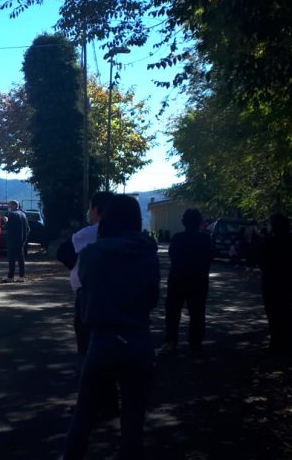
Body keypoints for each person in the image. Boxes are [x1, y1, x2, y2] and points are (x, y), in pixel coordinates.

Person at [64, 194, 159, 460]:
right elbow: (152, 298)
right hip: (139, 339)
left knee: (83, 418)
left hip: (102, 340)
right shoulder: (148, 251)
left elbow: (85, 295)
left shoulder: (93, 253)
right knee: (133, 421)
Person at [159, 208, 212, 355]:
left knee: (173, 313)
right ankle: (195, 343)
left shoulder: (177, 238)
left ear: (184, 222)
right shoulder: (205, 239)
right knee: (197, 313)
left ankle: (171, 341)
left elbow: (172, 256)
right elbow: (209, 259)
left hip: (177, 280)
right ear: (199, 222)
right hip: (199, 281)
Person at [70, 191, 114, 354]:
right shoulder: (131, 237)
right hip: (122, 297)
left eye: (90, 208)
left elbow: (67, 252)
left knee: (87, 343)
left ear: (95, 210)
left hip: (89, 295)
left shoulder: (87, 234)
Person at [258, 214, 292, 354]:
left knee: (273, 314)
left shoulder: (269, 241)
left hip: (271, 282)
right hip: (287, 282)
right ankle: (285, 343)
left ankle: (276, 343)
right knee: (285, 312)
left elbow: (261, 260)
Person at [3, 200, 29, 282]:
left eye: (10, 205)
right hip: (21, 240)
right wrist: (24, 238)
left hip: (12, 239)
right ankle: (22, 276)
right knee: (21, 258)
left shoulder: (12, 214)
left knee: (12, 259)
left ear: (14, 205)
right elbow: (28, 228)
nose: (9, 207)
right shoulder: (24, 215)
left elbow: (8, 226)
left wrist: (5, 220)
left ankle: (11, 277)